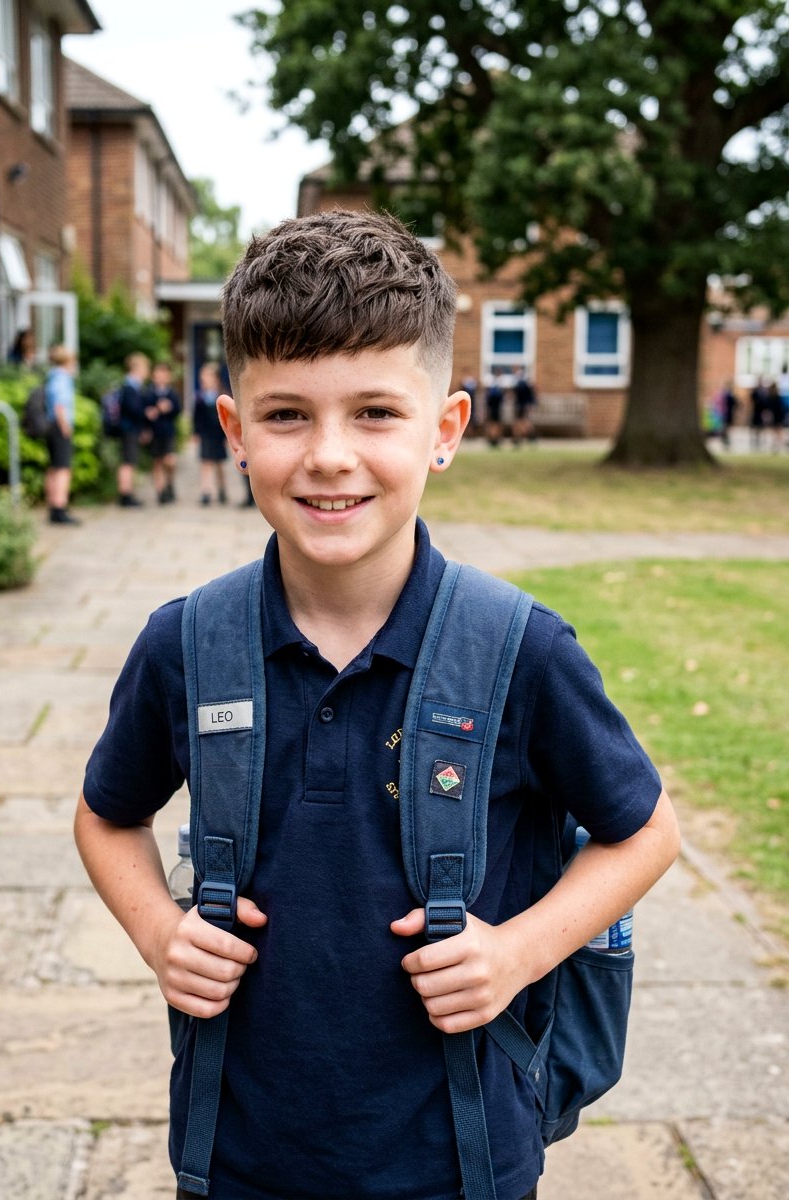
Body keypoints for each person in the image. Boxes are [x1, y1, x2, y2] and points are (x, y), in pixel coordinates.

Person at [75, 210, 680, 1200]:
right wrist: (157, 933)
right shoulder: (185, 646)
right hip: (237, 1155)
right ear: (232, 432)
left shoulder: (520, 651)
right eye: (285, 415)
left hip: (460, 1157)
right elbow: (105, 816)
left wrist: (519, 951)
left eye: (373, 413)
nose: (326, 455)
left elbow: (644, 831)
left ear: (443, 430)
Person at [43, 344, 80, 526]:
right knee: (63, 469)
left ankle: (53, 506)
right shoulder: (62, 379)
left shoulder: (52, 377)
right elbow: (59, 407)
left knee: (54, 467)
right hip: (60, 427)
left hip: (52, 427)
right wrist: (66, 427)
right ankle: (59, 507)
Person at [144, 362, 183, 504]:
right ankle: (160, 492)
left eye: (163, 374)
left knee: (169, 460)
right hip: (155, 433)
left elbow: (178, 411)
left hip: (168, 432)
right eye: (158, 374)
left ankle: (170, 483)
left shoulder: (172, 394)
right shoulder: (149, 393)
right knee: (157, 462)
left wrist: (169, 408)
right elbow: (144, 411)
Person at [117, 352, 151, 507]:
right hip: (128, 429)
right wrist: (146, 412)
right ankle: (125, 495)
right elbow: (132, 409)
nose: (147, 371)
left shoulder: (133, 386)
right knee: (128, 461)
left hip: (131, 429)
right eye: (145, 367)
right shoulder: (130, 387)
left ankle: (128, 493)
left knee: (130, 461)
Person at [193, 361, 228, 505]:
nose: (205, 381)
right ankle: (206, 491)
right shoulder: (199, 397)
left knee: (219, 463)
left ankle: (222, 489)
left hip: (218, 434)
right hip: (205, 434)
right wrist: (195, 432)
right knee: (205, 462)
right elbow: (196, 417)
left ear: (215, 379)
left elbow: (227, 417)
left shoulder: (222, 395)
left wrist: (227, 435)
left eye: (208, 377)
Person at [512, 369, 538, 445]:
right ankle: (520, 438)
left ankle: (521, 437)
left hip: (521, 406)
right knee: (521, 422)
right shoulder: (525, 384)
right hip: (521, 406)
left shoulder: (521, 384)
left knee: (521, 422)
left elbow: (528, 396)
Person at [484, 371, 505, 446]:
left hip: (495, 408)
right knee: (494, 424)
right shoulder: (496, 388)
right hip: (495, 409)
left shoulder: (493, 388)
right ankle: (494, 439)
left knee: (495, 424)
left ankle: (494, 439)